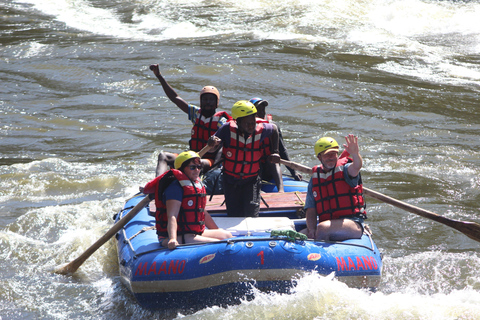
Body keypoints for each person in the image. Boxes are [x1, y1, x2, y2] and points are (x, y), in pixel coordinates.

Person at [149, 64, 232, 177]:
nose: (208, 102)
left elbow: (224, 146)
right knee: (163, 156)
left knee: (196, 163)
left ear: (216, 103)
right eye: (205, 99)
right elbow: (175, 98)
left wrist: (216, 168)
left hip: (209, 162)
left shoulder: (221, 122)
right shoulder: (196, 114)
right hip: (192, 157)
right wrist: (159, 76)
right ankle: (157, 184)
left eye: (211, 100)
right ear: (201, 101)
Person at [142, 151, 232, 249]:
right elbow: (172, 216)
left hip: (192, 232)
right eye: (192, 167)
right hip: (174, 235)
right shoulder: (175, 188)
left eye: (199, 167)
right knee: (220, 245)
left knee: (227, 236)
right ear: (182, 169)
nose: (197, 170)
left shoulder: (196, 184)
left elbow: (203, 213)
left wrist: (216, 231)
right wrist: (173, 239)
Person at [209, 100, 284, 217]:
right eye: (247, 123)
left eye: (252, 122)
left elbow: (274, 129)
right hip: (230, 181)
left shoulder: (262, 129)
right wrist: (211, 143)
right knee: (234, 214)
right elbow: (212, 150)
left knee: (251, 214)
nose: (251, 126)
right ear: (237, 122)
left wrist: (275, 151)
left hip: (252, 181)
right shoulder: (226, 130)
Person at [304, 135, 367, 241]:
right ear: (319, 158)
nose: (331, 158)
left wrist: (355, 154)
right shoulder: (315, 178)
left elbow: (356, 166)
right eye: (327, 155)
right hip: (329, 223)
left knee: (322, 228)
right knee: (300, 234)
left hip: (352, 223)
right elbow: (311, 209)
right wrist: (311, 229)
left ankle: (318, 256)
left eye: (333, 154)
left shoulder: (346, 169)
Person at [249, 97, 302, 181]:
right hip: (253, 170)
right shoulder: (247, 128)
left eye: (263, 109)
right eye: (258, 110)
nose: (262, 113)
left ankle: (280, 189)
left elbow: (282, 150)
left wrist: (293, 172)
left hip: (270, 169)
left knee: (273, 159)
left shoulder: (273, 127)